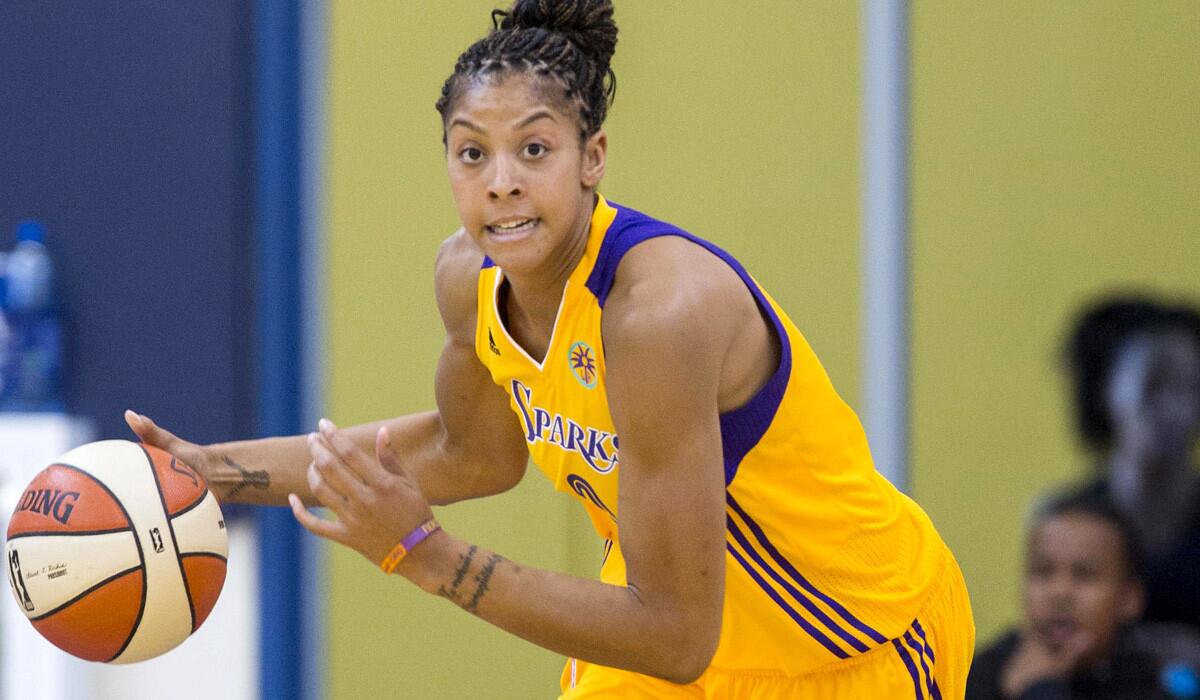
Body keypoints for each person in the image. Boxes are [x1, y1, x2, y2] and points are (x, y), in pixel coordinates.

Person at [126, 1, 974, 696]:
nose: (501, 180)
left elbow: (676, 635)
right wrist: (207, 473)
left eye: (534, 149)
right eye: (472, 153)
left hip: (853, 642)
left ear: (591, 158)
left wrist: (424, 553)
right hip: (669, 638)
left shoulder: (656, 314)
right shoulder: (469, 280)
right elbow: (468, 455)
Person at [966, 489, 1186, 700]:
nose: (1060, 592)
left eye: (1085, 575)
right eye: (1043, 572)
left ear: (1130, 597)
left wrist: (1040, 690)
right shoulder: (982, 672)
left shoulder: (1150, 686)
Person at [1065, 295, 1200, 630]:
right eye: (1154, 385)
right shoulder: (1066, 523)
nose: (1176, 409)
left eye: (1191, 387)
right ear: (1105, 389)